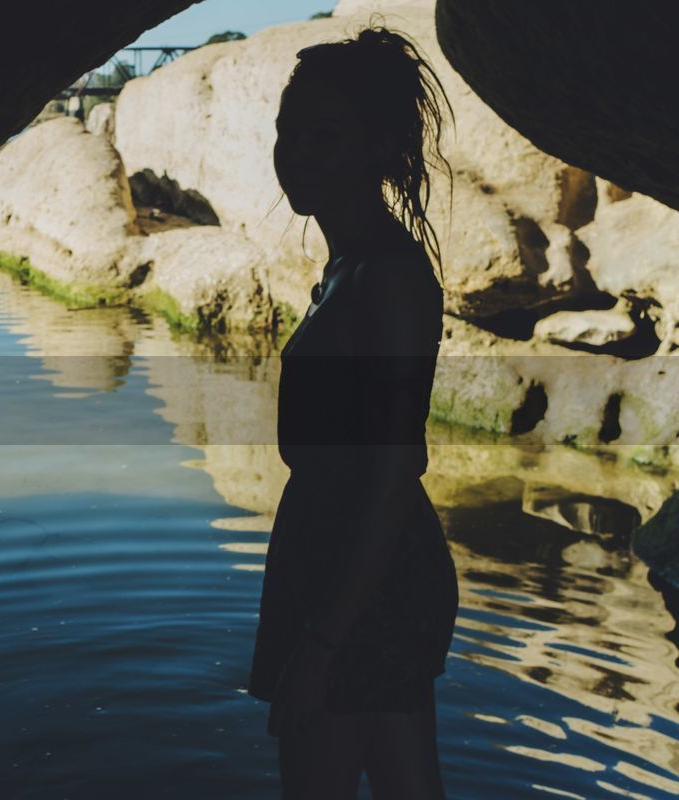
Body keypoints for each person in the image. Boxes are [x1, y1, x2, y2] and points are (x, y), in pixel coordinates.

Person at [246, 23, 459, 800]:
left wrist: (323, 642)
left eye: (324, 135)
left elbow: (392, 470)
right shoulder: (350, 269)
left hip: (364, 581)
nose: (295, 152)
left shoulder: (390, 281)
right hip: (342, 565)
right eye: (288, 132)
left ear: (377, 148)